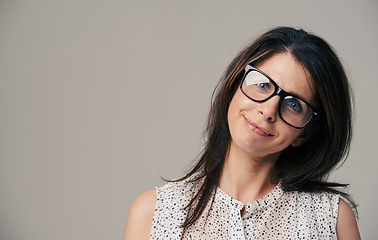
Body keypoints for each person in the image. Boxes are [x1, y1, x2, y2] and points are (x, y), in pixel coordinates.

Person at [124, 26, 360, 239]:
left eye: (294, 104)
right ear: (234, 86)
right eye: (263, 85)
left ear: (305, 133)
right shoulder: (154, 213)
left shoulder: (332, 219)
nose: (268, 110)